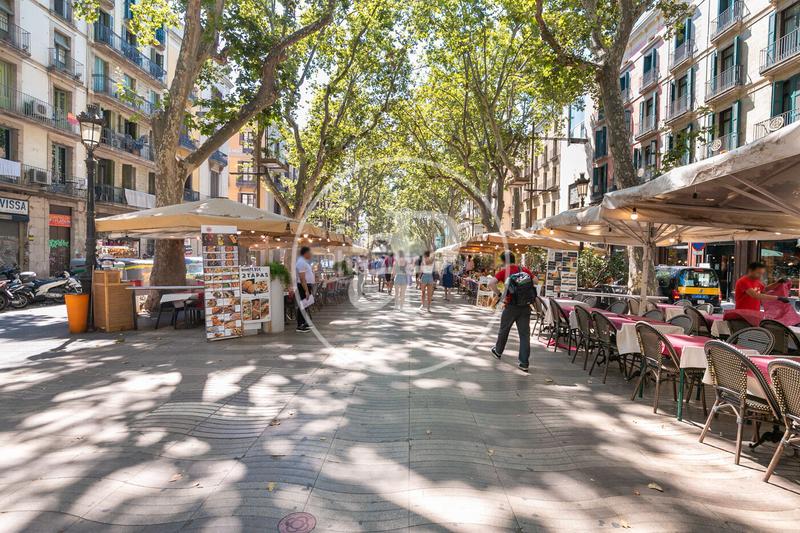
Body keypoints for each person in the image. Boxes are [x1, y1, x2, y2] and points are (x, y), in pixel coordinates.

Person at [489, 251, 536, 373]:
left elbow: (491, 283)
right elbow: (535, 281)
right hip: (525, 306)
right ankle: (524, 363)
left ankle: (498, 351)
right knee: (524, 335)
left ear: (503, 261)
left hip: (510, 306)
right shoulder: (524, 269)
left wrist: (499, 294)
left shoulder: (505, 272)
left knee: (504, 330)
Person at [295, 246, 315, 333]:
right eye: (310, 253)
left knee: (305, 304)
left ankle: (304, 322)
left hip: (306, 286)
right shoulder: (301, 263)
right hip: (303, 286)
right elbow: (302, 278)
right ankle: (300, 325)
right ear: (306, 253)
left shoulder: (303, 262)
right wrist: (306, 290)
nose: (311, 255)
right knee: (303, 305)